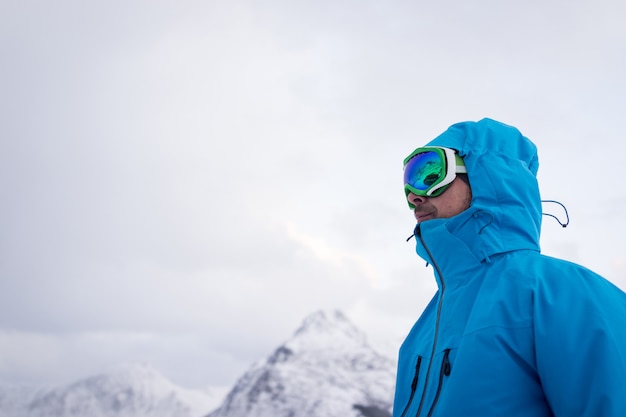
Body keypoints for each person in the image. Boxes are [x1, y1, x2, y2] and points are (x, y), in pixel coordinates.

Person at [392, 118, 626, 417]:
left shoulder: (562, 292)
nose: (414, 195)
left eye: (429, 173)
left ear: (485, 175)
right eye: (408, 179)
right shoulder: (421, 331)